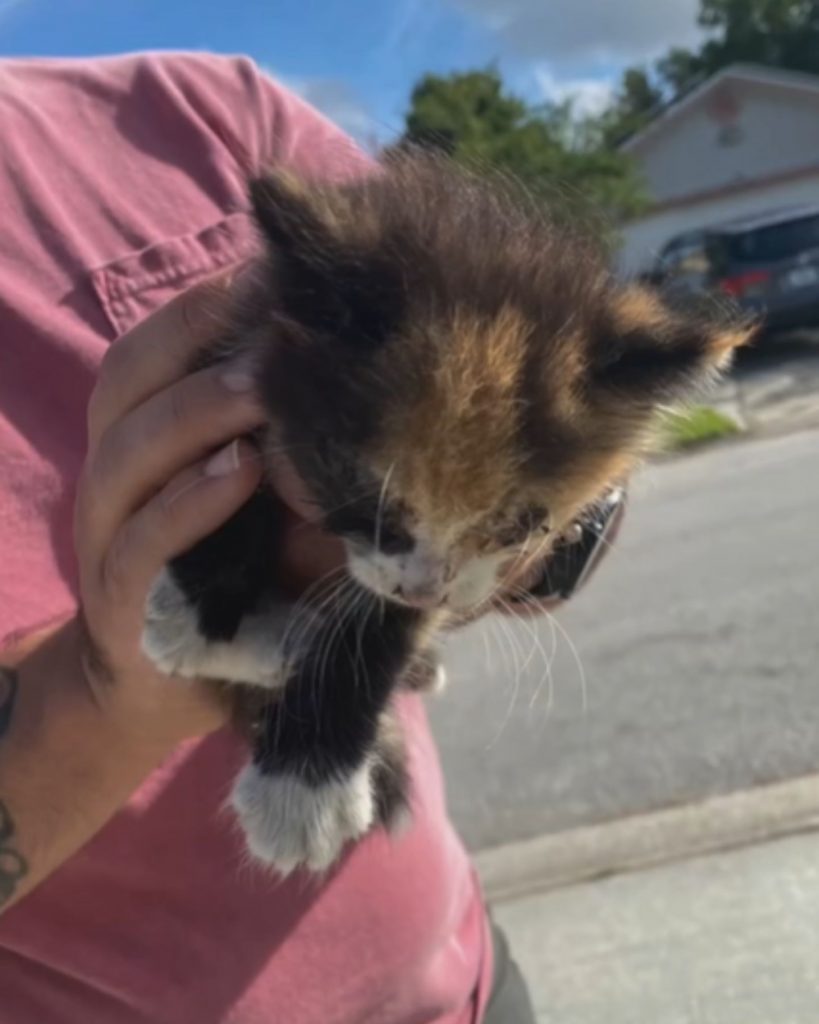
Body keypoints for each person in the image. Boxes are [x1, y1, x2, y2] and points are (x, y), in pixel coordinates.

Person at [0, 52, 619, 1024]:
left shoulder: (199, 107)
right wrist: (103, 695)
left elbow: (573, 439)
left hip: (469, 982)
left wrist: (526, 534)